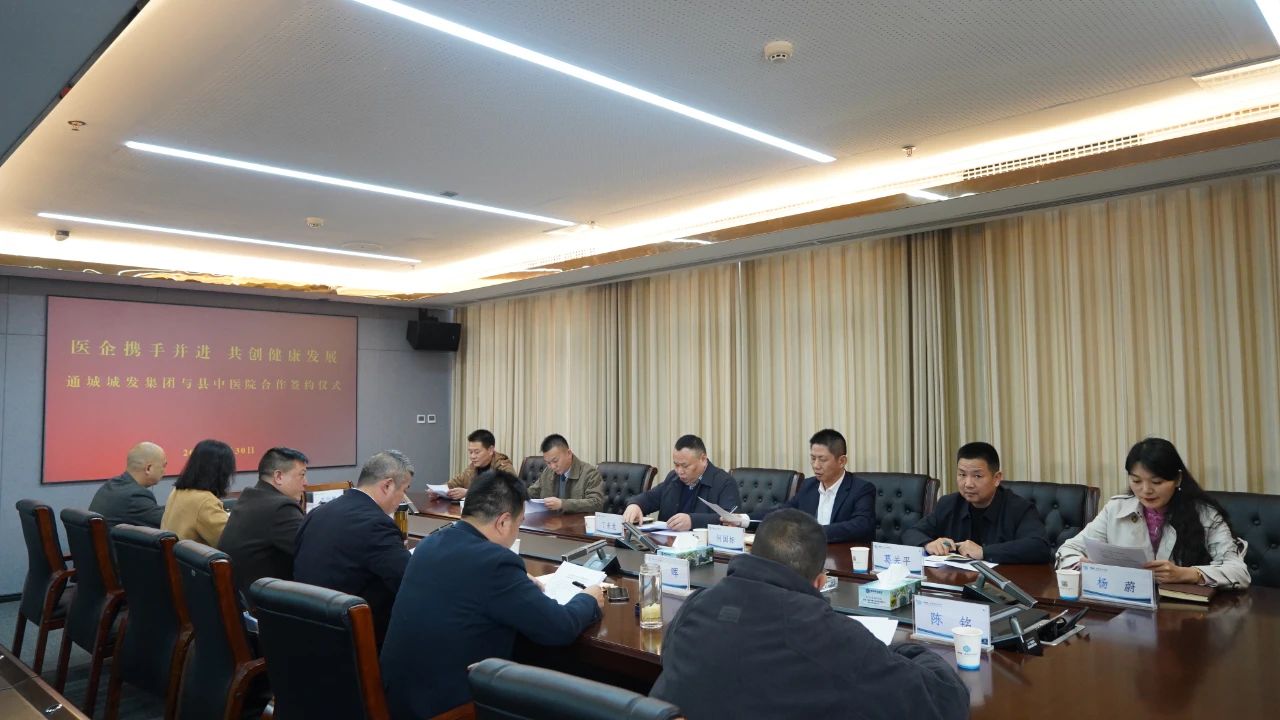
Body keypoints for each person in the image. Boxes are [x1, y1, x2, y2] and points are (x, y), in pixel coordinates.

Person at [650, 509, 969, 719]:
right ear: (820, 582)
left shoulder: (697, 604)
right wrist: (903, 649)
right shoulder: (829, 635)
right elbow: (945, 702)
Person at [381, 470, 604, 719]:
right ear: (503, 522)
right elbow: (559, 628)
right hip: (449, 709)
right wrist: (589, 598)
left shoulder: (430, 543)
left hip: (397, 700)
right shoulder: (495, 563)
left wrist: (517, 583)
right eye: (519, 524)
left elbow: (468, 586)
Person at [1057, 438, 1249, 588]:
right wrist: (1085, 566)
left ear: (1177, 479)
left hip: (1182, 613)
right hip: (1126, 607)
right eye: (1136, 481)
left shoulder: (1205, 515)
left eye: (1157, 482)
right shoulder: (1116, 509)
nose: (1146, 490)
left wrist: (1187, 574)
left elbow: (1239, 573)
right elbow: (1067, 551)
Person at [294, 450, 414, 645]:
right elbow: (408, 581)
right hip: (353, 640)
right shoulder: (377, 524)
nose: (403, 499)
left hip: (307, 631)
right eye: (404, 490)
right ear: (387, 485)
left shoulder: (317, 513)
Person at [900, 442, 1051, 563]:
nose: (968, 484)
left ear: (996, 478)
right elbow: (911, 533)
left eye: (977, 476)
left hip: (1002, 586)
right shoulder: (949, 504)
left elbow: (1039, 547)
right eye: (962, 475)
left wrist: (984, 552)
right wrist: (928, 544)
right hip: (956, 583)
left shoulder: (1019, 508)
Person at [723, 429, 875, 542]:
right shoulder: (809, 486)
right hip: (808, 556)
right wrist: (743, 519)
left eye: (822, 459)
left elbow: (861, 525)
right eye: (813, 458)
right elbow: (783, 513)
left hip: (844, 558)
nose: (816, 465)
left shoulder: (861, 489)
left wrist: (813, 532)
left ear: (842, 461)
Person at [218, 447, 309, 603]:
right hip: (264, 605)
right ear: (278, 477)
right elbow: (314, 552)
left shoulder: (250, 496)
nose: (306, 483)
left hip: (239, 597)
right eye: (302, 475)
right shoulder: (281, 508)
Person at [621, 434, 740, 531]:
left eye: (685, 466)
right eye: (676, 465)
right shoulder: (673, 478)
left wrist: (692, 521)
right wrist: (635, 504)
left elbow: (732, 519)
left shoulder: (724, 482)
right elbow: (651, 497)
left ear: (703, 459)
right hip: (667, 545)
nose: (679, 471)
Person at [160, 439, 233, 545]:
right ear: (222, 472)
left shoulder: (178, 491)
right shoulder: (205, 502)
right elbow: (232, 542)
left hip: (176, 554)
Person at [89, 441, 168, 528]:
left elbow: (152, 511)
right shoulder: (135, 496)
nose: (164, 471)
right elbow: (169, 523)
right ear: (148, 468)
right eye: (163, 466)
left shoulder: (112, 484)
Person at [526, 434, 604, 513]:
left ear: (569, 453)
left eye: (555, 461)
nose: (552, 467)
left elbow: (597, 503)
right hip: (552, 520)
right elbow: (532, 492)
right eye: (548, 463)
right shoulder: (548, 472)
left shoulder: (590, 473)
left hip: (578, 520)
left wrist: (563, 504)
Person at [439, 429, 514, 500]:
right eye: (470, 452)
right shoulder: (472, 468)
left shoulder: (503, 467)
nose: (472, 456)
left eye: (477, 452)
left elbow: (507, 492)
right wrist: (438, 492)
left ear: (490, 450)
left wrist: (469, 493)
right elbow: (455, 483)